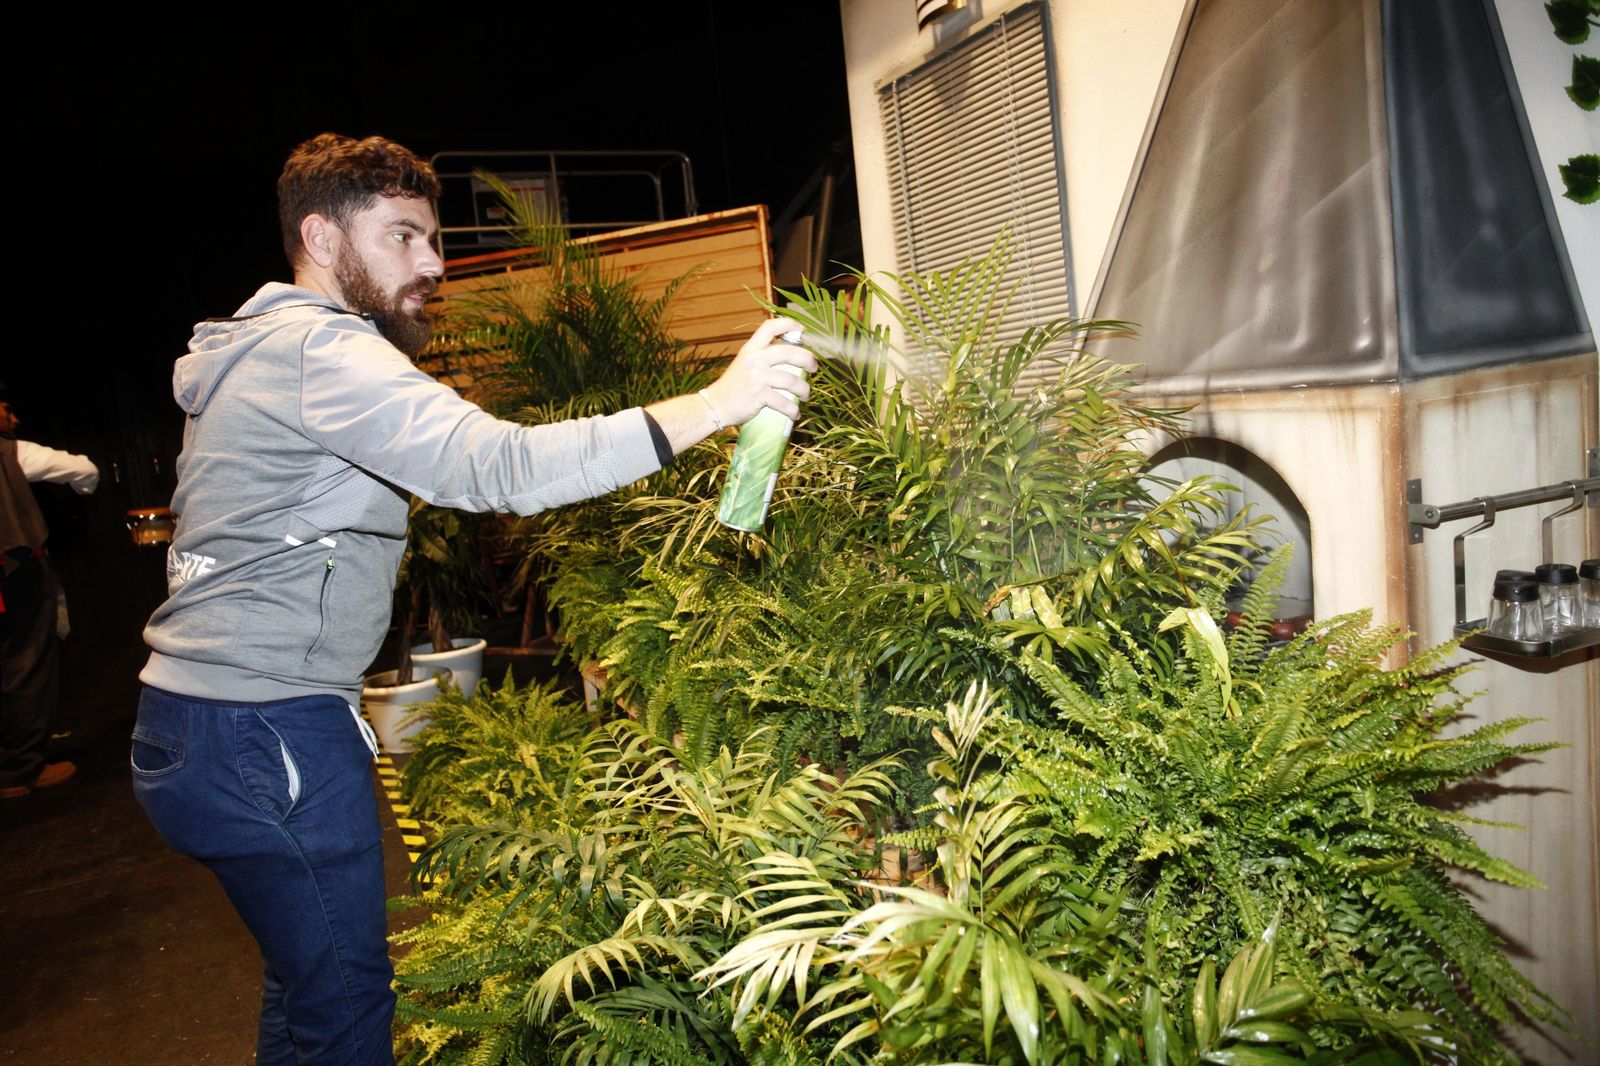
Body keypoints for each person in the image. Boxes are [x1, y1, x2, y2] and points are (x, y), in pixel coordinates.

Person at [131, 132, 815, 1065]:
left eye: (432, 237)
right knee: (345, 1009)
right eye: (403, 236)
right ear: (324, 240)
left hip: (198, 724)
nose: (434, 262)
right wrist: (716, 403)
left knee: (305, 987)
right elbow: (501, 466)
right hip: (269, 730)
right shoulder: (320, 354)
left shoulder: (260, 351)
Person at [0, 386, 99, 799]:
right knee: (24, 663)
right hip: (13, 572)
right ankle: (20, 769)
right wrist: (84, 487)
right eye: (6, 409)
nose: (13, 418)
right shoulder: (12, 454)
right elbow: (83, 470)